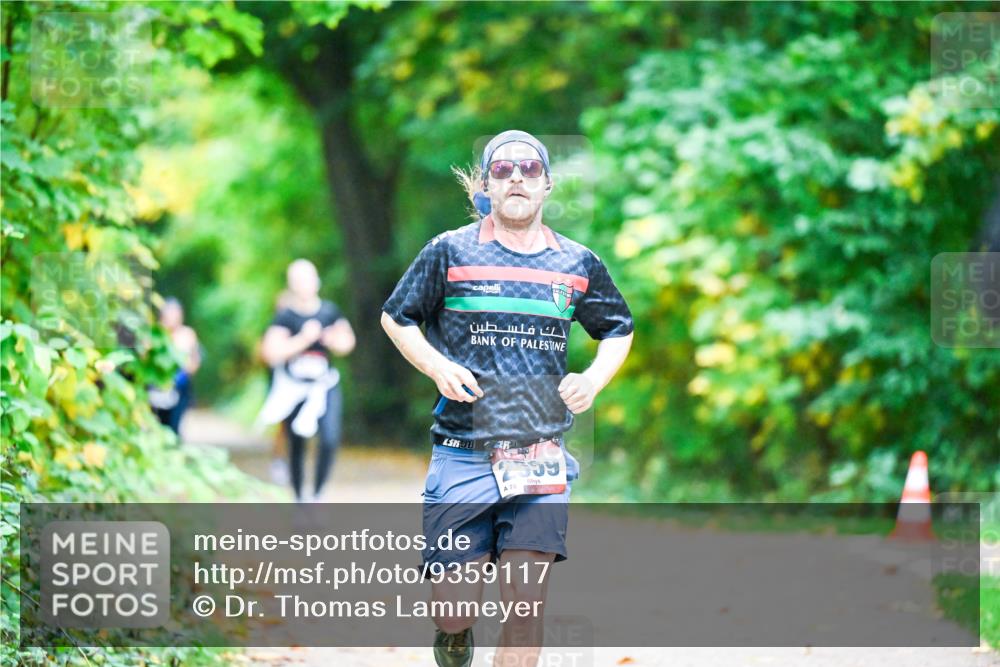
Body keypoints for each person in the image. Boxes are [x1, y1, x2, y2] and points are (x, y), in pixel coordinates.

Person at [381, 130, 634, 667]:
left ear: (547, 185)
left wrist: (592, 379)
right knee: (453, 610)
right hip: (461, 450)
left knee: (524, 608)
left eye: (528, 169)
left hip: (537, 459)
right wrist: (437, 365)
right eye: (502, 169)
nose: (516, 176)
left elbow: (618, 328)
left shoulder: (577, 263)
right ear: (486, 186)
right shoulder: (449, 250)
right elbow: (395, 316)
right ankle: (454, 638)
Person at [258, 260, 356, 502]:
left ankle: (318, 493)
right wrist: (303, 339)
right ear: (291, 285)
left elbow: (348, 342)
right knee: (297, 442)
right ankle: (300, 497)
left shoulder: (329, 311)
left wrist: (335, 340)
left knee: (330, 437)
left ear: (317, 281)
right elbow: (271, 352)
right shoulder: (285, 317)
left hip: (325, 386)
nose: (304, 285)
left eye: (308, 279)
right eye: (298, 280)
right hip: (295, 389)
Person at [149, 297, 201, 436]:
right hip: (155, 388)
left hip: (179, 388)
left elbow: (194, 362)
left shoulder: (187, 334)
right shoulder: (154, 333)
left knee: (174, 427)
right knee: (155, 426)